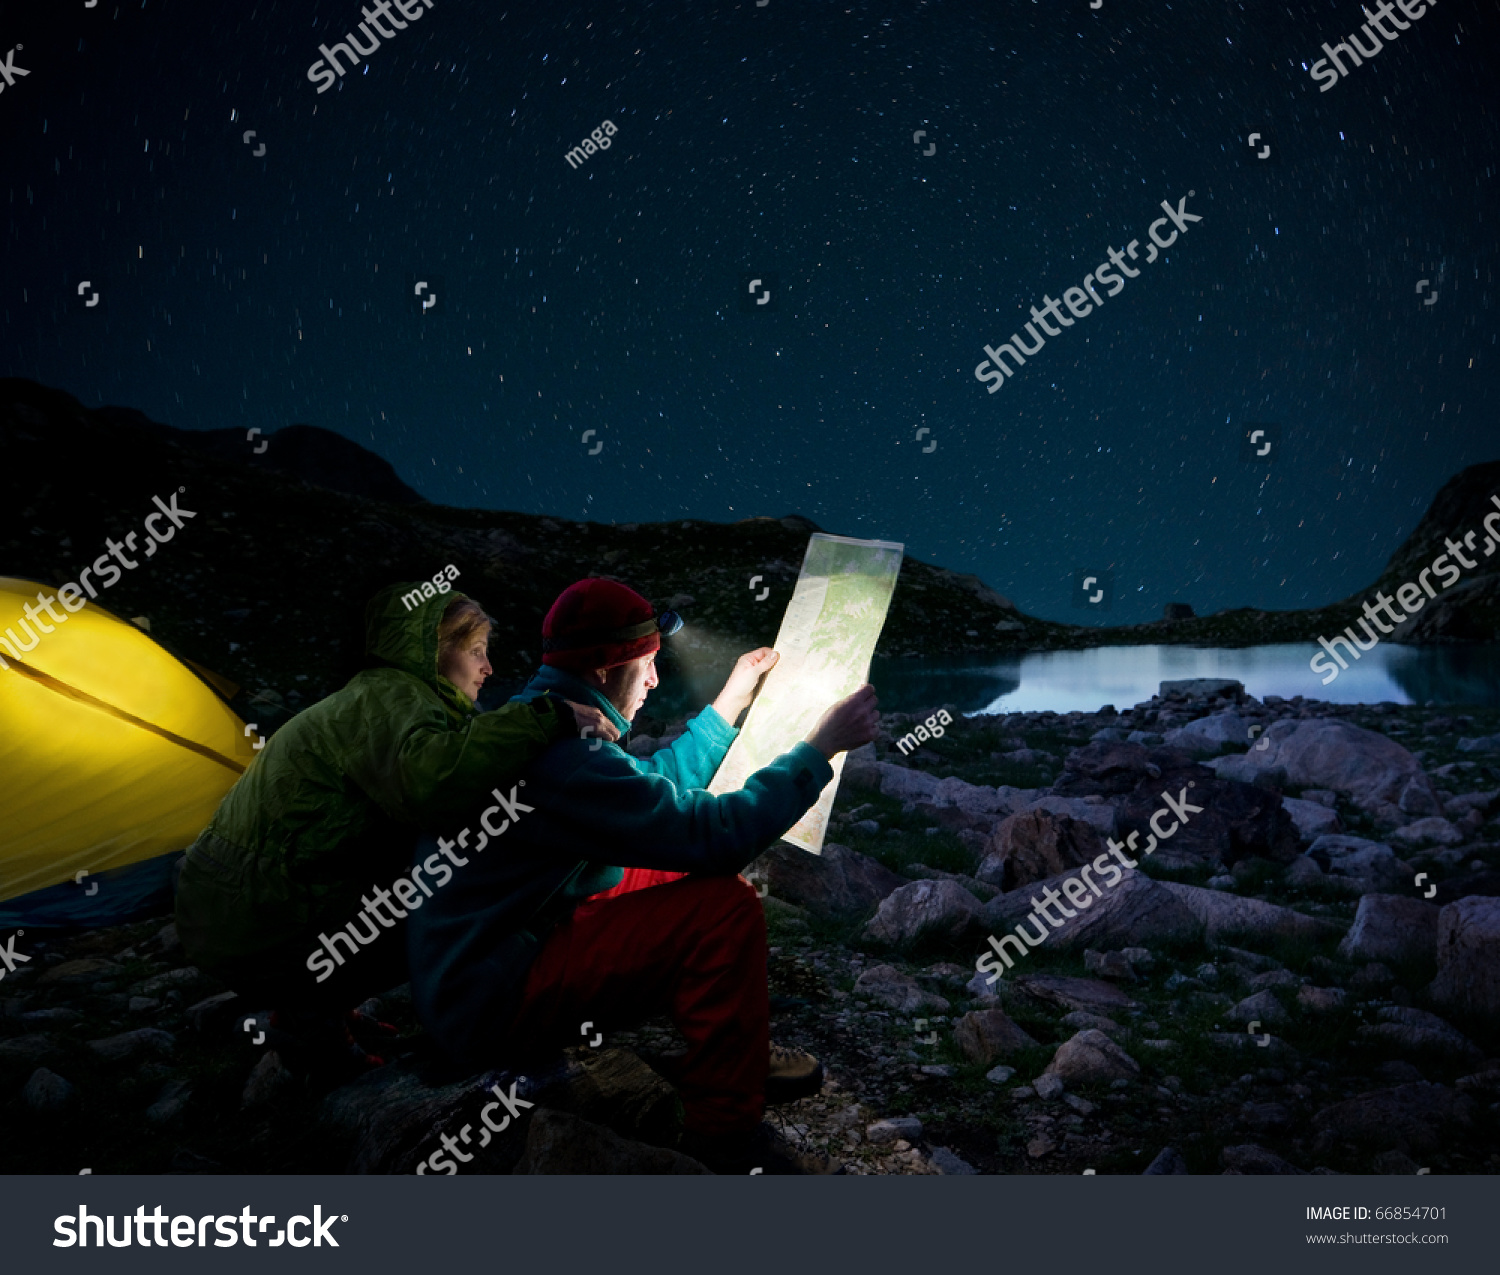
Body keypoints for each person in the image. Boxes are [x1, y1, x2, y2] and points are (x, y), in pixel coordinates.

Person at [408, 577, 880, 1173]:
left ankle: (732, 1054)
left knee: (660, 870)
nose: (656, 680)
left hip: (492, 948)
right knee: (722, 907)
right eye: (647, 664)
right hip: (487, 993)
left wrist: (728, 703)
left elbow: (642, 789)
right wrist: (819, 748)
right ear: (607, 668)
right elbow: (712, 837)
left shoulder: (541, 720)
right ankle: (722, 1127)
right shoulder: (563, 755)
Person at [173, 582, 617, 1079]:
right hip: (252, 917)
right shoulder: (392, 698)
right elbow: (431, 784)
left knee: (416, 872)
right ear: (434, 651)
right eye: (476, 653)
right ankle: (317, 1031)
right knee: (444, 902)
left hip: (229, 904)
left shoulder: (382, 697)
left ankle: (314, 1006)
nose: (488, 669)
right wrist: (547, 716)